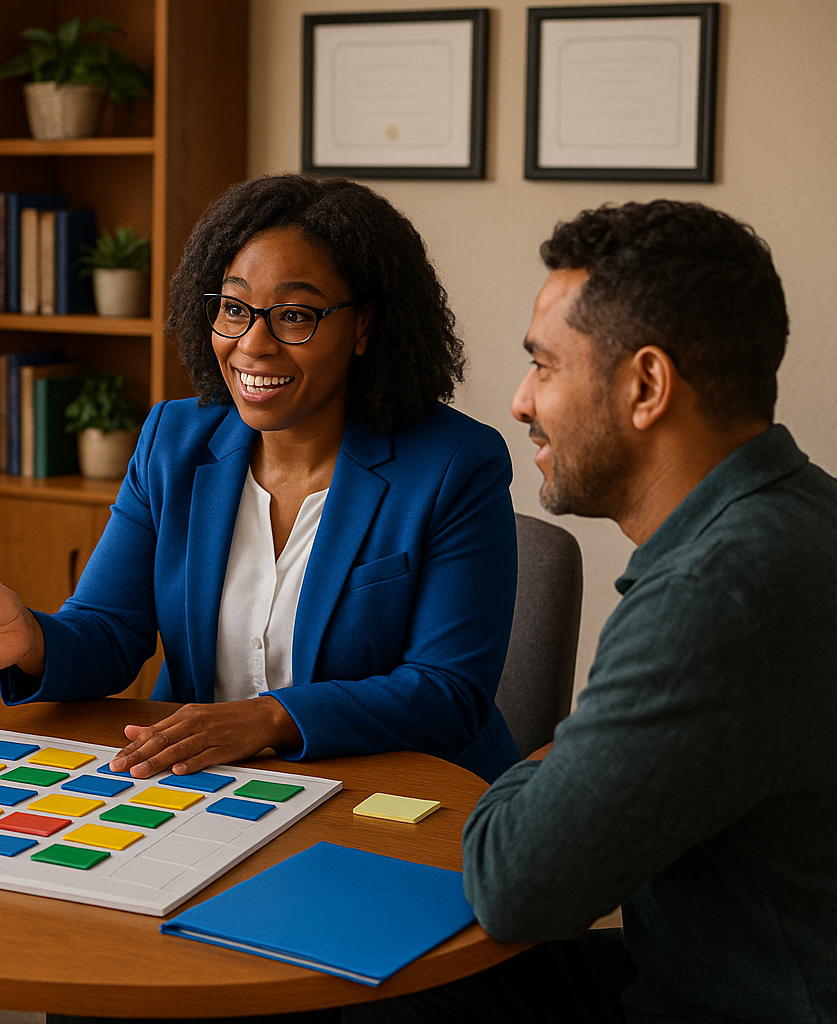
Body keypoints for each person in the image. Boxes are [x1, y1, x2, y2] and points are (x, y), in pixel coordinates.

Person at [350, 201, 837, 1023]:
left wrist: (551, 757)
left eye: (544, 365)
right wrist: (573, 758)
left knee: (386, 980)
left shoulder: (713, 597)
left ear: (646, 386)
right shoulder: (803, 511)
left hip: (739, 1000)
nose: (519, 401)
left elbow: (514, 883)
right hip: (743, 957)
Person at [0, 175, 522, 784]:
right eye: (235, 308)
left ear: (364, 326)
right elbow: (109, 629)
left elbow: (448, 691)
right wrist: (31, 638)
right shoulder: (176, 441)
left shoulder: (456, 464)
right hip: (209, 784)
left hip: (397, 795)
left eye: (294, 315)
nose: (254, 344)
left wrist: (271, 717)